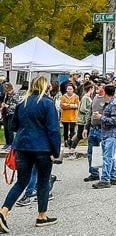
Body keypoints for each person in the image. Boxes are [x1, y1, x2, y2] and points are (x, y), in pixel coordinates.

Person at [0, 76, 60, 231]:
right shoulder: (48, 103)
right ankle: (42, 216)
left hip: (23, 146)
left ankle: (4, 211)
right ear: (47, 87)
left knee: (21, 181)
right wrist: (56, 151)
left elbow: (14, 126)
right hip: (42, 148)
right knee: (43, 181)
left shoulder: (22, 103)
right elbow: (53, 130)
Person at [92, 85, 116, 189]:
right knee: (109, 157)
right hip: (107, 134)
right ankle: (114, 177)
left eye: (102, 91)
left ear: (105, 93)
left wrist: (102, 117)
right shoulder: (109, 103)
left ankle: (105, 179)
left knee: (107, 158)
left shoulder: (113, 104)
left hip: (112, 134)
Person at [82, 80, 106, 182]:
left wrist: (101, 117)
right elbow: (90, 113)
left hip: (103, 129)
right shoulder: (95, 98)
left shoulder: (108, 100)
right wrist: (85, 128)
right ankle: (94, 173)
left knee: (104, 152)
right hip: (93, 128)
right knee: (91, 152)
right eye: (97, 85)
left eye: (100, 86)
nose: (97, 87)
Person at [70, 81, 94, 153]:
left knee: (79, 134)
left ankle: (70, 142)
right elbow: (82, 109)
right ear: (90, 88)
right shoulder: (85, 98)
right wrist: (90, 112)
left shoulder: (88, 97)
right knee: (80, 135)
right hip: (83, 120)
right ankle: (72, 150)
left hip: (85, 119)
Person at [59, 84, 79, 156]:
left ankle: (71, 142)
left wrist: (67, 105)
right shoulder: (63, 97)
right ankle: (65, 141)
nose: (69, 90)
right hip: (65, 116)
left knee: (72, 130)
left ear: (73, 89)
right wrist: (71, 105)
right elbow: (62, 105)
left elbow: (77, 105)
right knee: (65, 130)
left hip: (73, 117)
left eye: (71, 89)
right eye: (68, 89)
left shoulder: (76, 97)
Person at [1, 83, 20, 149]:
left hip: (11, 113)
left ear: (9, 88)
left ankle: (11, 144)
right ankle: (7, 143)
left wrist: (7, 106)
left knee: (10, 129)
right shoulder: (6, 94)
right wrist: (3, 105)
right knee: (6, 129)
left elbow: (16, 105)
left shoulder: (15, 94)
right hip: (5, 113)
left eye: (5, 89)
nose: (5, 91)